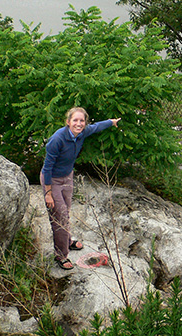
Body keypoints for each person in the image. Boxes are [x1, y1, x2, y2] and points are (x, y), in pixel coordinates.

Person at [41, 107, 120, 270]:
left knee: (66, 211)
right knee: (60, 218)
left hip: (67, 176)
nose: (78, 123)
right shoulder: (57, 139)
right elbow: (47, 168)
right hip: (52, 180)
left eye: (82, 121)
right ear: (68, 122)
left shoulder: (82, 133)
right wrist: (48, 193)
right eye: (75, 120)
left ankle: (67, 241)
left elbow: (97, 126)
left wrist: (111, 122)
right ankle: (61, 255)